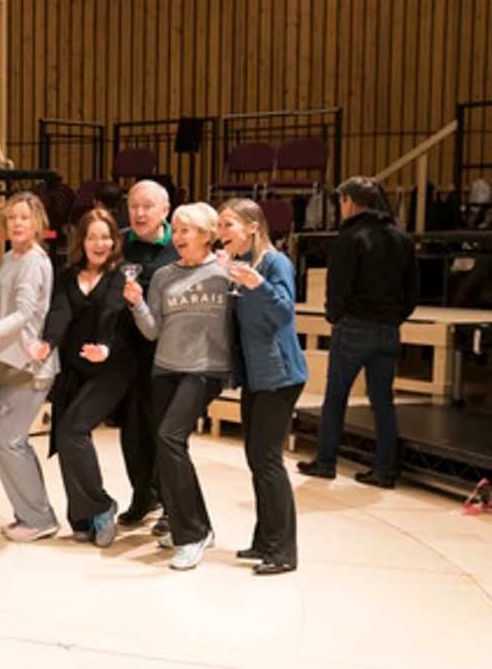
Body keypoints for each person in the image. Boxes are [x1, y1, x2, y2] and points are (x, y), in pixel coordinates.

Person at [125, 203, 231, 570]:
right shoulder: (164, 276)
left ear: (207, 234)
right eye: (178, 229)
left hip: (204, 370)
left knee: (170, 438)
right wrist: (138, 304)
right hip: (165, 368)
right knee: (168, 445)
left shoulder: (223, 273)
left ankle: (191, 535)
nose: (180, 236)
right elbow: (152, 330)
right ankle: (200, 525)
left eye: (188, 230)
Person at [298, 177, 418, 487]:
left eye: (341, 202)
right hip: (389, 329)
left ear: (350, 201)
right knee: (383, 402)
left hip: (353, 326)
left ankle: (325, 462)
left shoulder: (350, 237)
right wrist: (393, 317)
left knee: (336, 398)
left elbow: (339, 287)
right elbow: (413, 292)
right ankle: (385, 470)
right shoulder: (402, 238)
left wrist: (334, 317)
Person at [36, 208, 135, 548]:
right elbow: (59, 312)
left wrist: (105, 348)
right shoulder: (66, 276)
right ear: (81, 240)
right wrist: (47, 343)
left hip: (113, 368)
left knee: (73, 429)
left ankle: (102, 506)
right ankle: (81, 516)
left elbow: (111, 314)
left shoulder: (120, 274)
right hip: (75, 368)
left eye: (106, 236)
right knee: (66, 437)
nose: (100, 243)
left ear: (114, 240)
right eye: (92, 236)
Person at [218, 199, 308, 575]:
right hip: (257, 377)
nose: (221, 235)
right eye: (220, 227)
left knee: (268, 461)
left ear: (253, 226)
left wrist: (258, 285)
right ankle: (264, 541)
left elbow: (285, 311)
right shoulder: (241, 267)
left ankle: (284, 550)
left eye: (229, 226)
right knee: (257, 459)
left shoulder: (275, 263)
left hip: (279, 375)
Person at [0, 191, 59, 542]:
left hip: (30, 364)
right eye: (11, 218)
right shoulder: (10, 257)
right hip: (7, 360)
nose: (16, 224)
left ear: (37, 222)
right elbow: (5, 305)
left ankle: (39, 517)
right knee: (9, 442)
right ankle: (30, 513)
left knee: (7, 441)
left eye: (23, 218)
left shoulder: (35, 261)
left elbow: (24, 314)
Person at [114, 180, 179, 534]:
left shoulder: (179, 245)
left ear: (164, 210)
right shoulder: (120, 241)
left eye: (147, 206)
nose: (139, 213)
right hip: (127, 353)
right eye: (134, 206)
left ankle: (173, 505)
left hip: (166, 354)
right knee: (133, 429)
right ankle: (144, 495)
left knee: (165, 431)